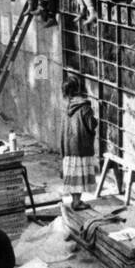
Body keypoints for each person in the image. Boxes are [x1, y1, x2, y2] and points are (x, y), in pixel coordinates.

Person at [59, 77, 97, 211]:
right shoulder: (85, 107)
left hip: (69, 147)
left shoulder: (66, 107)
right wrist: (96, 119)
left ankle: (76, 200)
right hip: (81, 146)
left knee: (73, 175)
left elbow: (63, 128)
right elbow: (91, 125)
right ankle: (76, 202)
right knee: (79, 175)